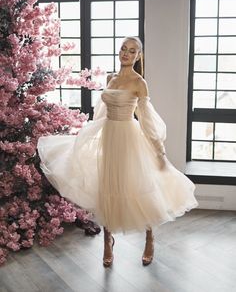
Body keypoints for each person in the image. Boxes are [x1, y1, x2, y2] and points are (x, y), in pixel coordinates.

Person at [37, 36, 198, 268]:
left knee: (140, 186)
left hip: (129, 138)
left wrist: (159, 150)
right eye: (124, 49)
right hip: (109, 136)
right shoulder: (111, 78)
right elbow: (102, 109)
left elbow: (146, 118)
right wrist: (92, 136)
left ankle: (150, 238)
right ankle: (107, 241)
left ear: (138, 56)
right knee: (108, 187)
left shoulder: (139, 82)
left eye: (132, 51)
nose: (126, 54)